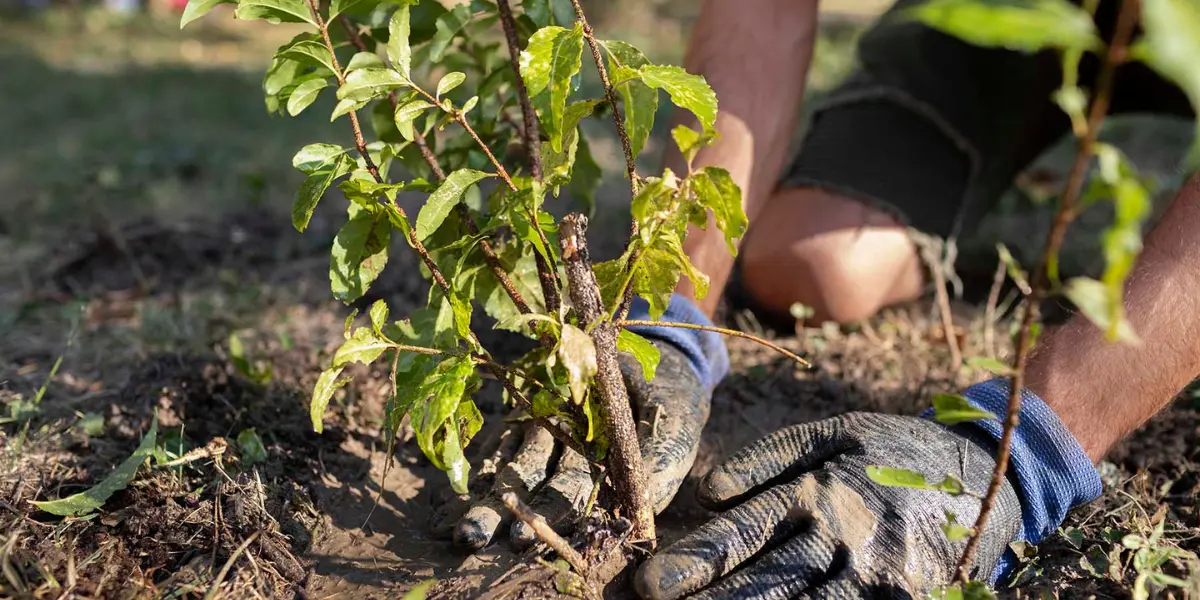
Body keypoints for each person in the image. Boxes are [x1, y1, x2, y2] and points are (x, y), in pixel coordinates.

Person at [444, 0, 1199, 597]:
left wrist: (1026, 452)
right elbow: (763, 13)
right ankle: (1012, 146)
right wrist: (666, 314)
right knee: (815, 265)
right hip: (1011, 17)